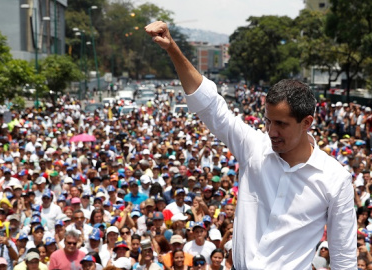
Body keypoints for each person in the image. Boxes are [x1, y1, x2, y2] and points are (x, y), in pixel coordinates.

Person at [145, 21, 357, 269]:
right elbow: (210, 105)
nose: (271, 131)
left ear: (306, 122)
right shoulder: (254, 147)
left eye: (281, 124)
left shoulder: (335, 179)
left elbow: (343, 258)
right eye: (268, 121)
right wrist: (173, 49)